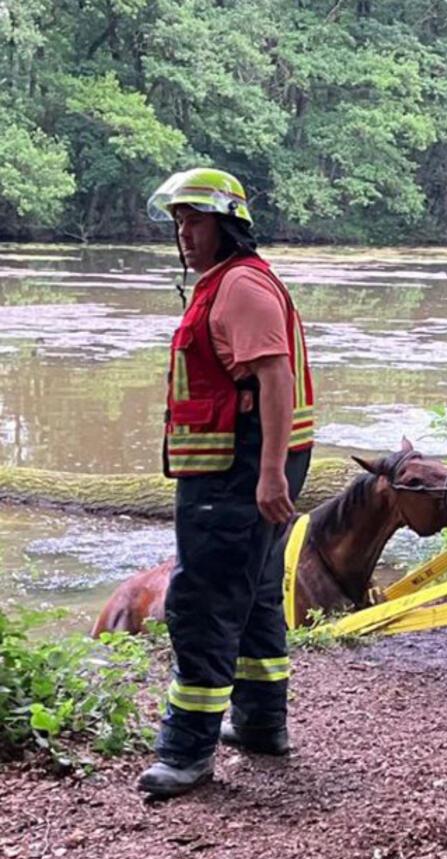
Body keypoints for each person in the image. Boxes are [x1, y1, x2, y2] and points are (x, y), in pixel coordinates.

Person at [137, 168, 316, 798]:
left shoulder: (241, 288)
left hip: (236, 469)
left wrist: (269, 473)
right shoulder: (228, 283)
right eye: (179, 221)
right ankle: (263, 724)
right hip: (239, 464)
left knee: (202, 602)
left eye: (196, 220)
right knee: (257, 592)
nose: (185, 232)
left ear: (227, 224)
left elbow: (274, 379)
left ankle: (186, 753)